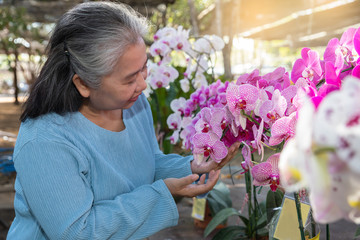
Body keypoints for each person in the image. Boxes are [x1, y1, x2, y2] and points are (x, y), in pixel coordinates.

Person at [7, 2, 240, 239]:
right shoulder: (45, 141)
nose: (142, 84)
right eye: (129, 80)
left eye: (144, 68)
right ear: (83, 84)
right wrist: (161, 194)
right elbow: (78, 232)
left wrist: (191, 168)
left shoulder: (134, 106)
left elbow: (146, 164)